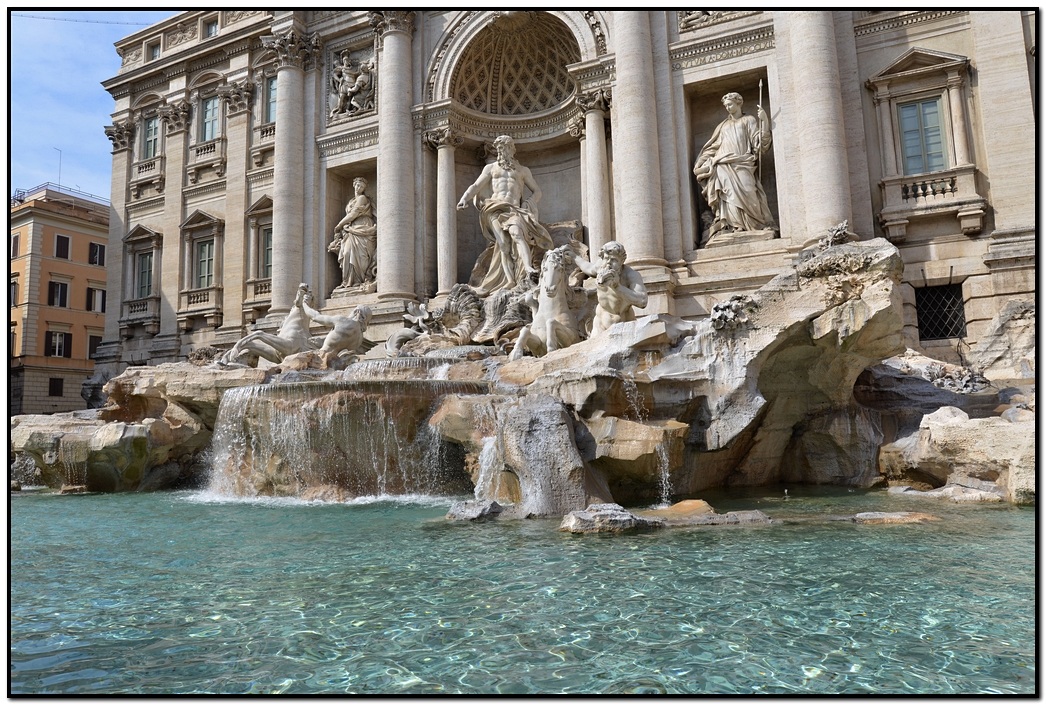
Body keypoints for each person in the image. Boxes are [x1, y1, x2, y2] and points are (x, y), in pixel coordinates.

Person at [457, 135, 554, 295]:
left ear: (512, 149)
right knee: (503, 243)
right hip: (494, 207)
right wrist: (464, 198)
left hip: (514, 209)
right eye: (500, 148)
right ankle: (509, 280)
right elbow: (476, 185)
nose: (503, 151)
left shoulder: (522, 170)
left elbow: (537, 191)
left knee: (517, 233)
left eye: (506, 147)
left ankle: (528, 268)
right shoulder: (490, 168)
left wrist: (527, 203)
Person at [692, 92, 776, 242]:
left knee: (749, 192)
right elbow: (713, 147)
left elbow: (760, 144)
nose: (728, 108)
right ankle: (733, 226)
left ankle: (756, 224)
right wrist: (701, 161)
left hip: (743, 162)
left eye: (730, 104)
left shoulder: (749, 120)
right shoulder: (722, 126)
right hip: (723, 165)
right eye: (725, 106)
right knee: (728, 195)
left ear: (739, 103)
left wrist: (764, 122)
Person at [573, 241, 648, 336]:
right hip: (600, 323)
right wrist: (573, 256)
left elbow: (642, 301)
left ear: (622, 261)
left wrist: (617, 287)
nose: (608, 263)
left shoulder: (630, 275)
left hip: (624, 323)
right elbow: (587, 267)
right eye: (606, 259)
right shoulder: (600, 267)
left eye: (613, 260)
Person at [329, 177, 377, 290]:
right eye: (358, 185)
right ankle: (348, 281)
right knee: (346, 253)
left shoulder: (362, 198)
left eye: (362, 186)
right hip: (352, 229)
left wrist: (340, 225)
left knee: (361, 256)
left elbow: (354, 214)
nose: (359, 188)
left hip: (363, 226)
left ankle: (358, 281)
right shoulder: (351, 201)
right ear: (354, 185)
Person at [301, 298, 373, 360]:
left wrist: (305, 304)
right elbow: (339, 342)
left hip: (321, 358)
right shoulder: (359, 338)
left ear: (357, 312)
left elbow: (315, 317)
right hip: (336, 363)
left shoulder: (342, 321)